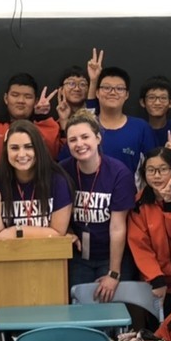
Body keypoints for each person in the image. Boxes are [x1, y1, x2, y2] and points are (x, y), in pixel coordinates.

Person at [61, 111, 136, 300]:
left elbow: (118, 226)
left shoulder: (119, 173)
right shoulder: (62, 171)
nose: (79, 144)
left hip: (111, 257)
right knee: (80, 311)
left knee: (112, 310)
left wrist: (113, 273)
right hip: (78, 257)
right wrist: (68, 230)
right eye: (73, 139)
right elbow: (59, 213)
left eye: (85, 137)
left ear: (98, 138)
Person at [0, 120, 73, 239]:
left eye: (28, 147)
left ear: (38, 149)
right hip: (8, 255)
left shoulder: (57, 181)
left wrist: (16, 231)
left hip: (46, 255)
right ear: (6, 151)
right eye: (14, 148)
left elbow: (58, 233)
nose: (21, 154)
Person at [128, 147, 171, 314]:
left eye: (163, 169)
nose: (156, 175)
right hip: (157, 284)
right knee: (157, 336)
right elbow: (139, 245)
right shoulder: (139, 203)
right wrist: (156, 278)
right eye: (151, 170)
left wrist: (170, 203)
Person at [0, 73, 61, 165]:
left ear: (35, 102)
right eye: (15, 95)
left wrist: (42, 117)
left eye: (28, 96)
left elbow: (51, 153)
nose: (21, 101)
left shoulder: (42, 127)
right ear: (6, 98)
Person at [87, 65, 158, 174]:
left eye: (119, 88)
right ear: (97, 93)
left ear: (127, 95)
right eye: (106, 87)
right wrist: (93, 81)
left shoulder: (141, 128)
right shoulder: (86, 127)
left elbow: (153, 169)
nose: (112, 92)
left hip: (129, 190)